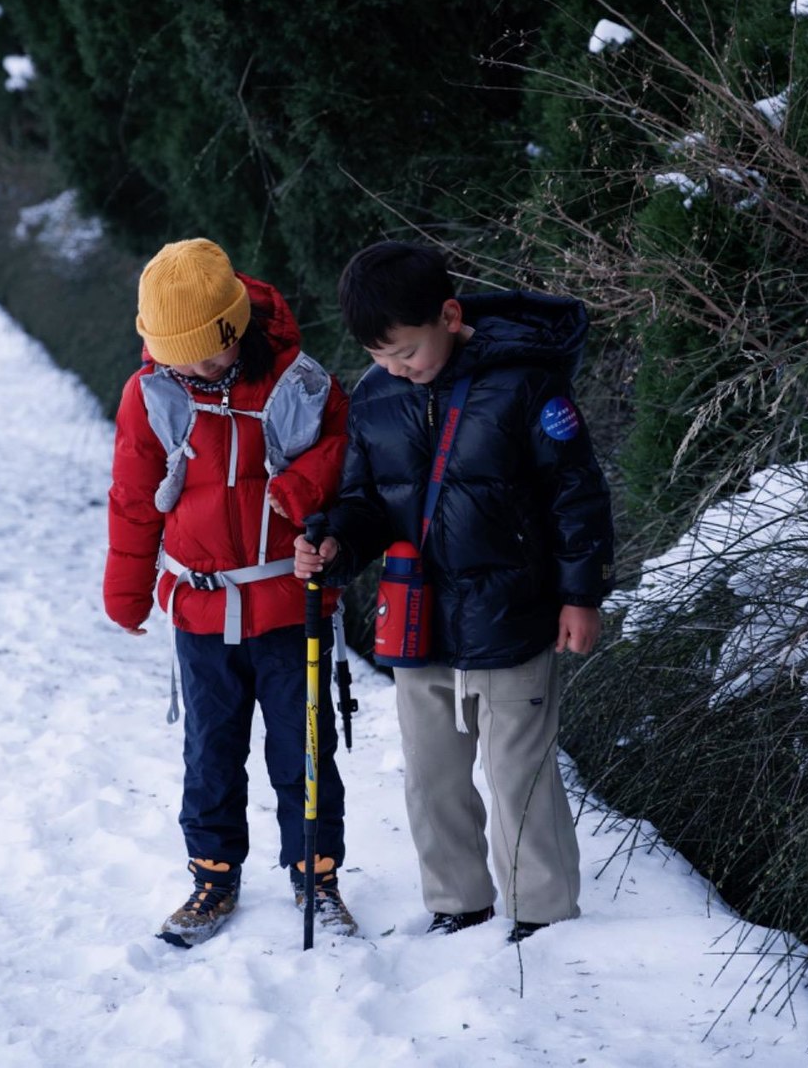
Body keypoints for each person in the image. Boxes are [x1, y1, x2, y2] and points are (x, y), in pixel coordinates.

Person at [294, 241, 614, 943]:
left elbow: (577, 495)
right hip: (418, 621)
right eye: (380, 356)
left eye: (407, 352)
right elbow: (366, 502)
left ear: (448, 315)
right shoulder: (375, 398)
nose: (395, 367)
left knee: (518, 771)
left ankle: (542, 912)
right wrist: (337, 542)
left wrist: (580, 595)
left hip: (513, 614)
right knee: (431, 773)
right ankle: (457, 900)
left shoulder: (526, 383)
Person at [104, 237, 356, 947]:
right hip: (201, 606)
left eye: (206, 356)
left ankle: (316, 875)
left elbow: (346, 453)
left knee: (304, 750)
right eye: (176, 358)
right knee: (210, 750)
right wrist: (127, 593)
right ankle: (213, 876)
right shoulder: (151, 394)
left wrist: (300, 488)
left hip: (290, 604)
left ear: (235, 328)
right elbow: (133, 498)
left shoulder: (300, 384)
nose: (192, 370)